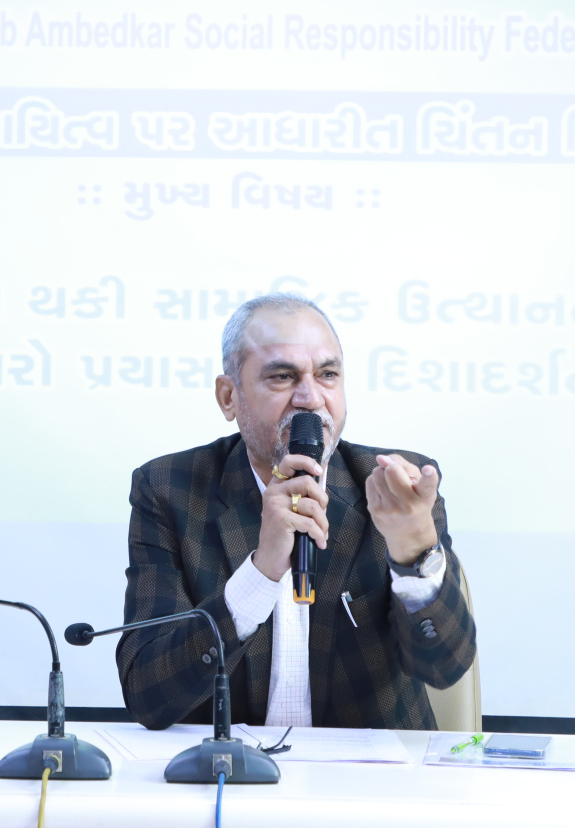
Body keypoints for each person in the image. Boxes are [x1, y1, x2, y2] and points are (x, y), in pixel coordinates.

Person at [118, 294, 476, 730]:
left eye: (327, 375)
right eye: (283, 377)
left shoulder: (395, 490)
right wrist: (260, 573)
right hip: (229, 764)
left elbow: (444, 666)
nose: (310, 398)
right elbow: (148, 696)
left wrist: (414, 551)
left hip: (366, 768)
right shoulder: (169, 489)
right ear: (229, 397)